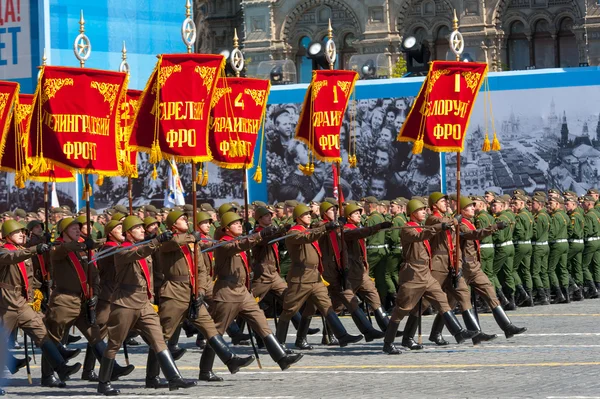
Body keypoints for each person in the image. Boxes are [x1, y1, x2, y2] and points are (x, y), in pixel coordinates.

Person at [152, 210, 254, 385]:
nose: (186, 220)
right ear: (173, 225)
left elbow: (200, 270)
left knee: (210, 329)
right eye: (182, 219)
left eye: (186, 218)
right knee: (162, 337)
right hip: (174, 292)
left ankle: (230, 359)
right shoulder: (168, 240)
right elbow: (174, 242)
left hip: (192, 292)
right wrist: (192, 237)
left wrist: (199, 291)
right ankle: (152, 376)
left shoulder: (193, 242)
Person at [97, 216, 196, 395]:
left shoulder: (144, 248)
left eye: (143, 228)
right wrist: (156, 241)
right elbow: (138, 253)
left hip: (144, 302)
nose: (143, 230)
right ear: (128, 233)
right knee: (114, 344)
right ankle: (104, 382)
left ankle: (174, 378)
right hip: (125, 303)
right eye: (138, 228)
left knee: (158, 339)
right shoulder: (121, 251)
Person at [202, 211, 303, 373]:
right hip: (227, 292)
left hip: (243, 292)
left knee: (261, 323)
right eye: (235, 223)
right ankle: (205, 370)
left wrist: (275, 231)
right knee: (217, 332)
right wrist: (259, 235)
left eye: (240, 223)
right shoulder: (223, 244)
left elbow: (247, 243)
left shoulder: (238, 240)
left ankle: (281, 357)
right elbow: (239, 245)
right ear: (227, 228)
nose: (240, 225)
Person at [382, 199, 479, 355]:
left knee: (441, 300)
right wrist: (439, 227)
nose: (424, 212)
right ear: (412, 213)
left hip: (426, 272)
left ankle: (458, 331)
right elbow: (421, 236)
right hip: (412, 274)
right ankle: (388, 342)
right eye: (421, 210)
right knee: (402, 310)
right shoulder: (408, 229)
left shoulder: (421, 226)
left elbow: (427, 232)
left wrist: (441, 226)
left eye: (424, 209)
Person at [0, 220, 82, 390]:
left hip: (22, 303)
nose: (22, 235)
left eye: (23, 232)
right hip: (6, 303)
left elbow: (29, 277)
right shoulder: (4, 252)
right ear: (7, 236)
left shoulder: (23, 251)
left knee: (42, 333)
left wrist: (40, 287)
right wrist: (34, 249)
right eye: (18, 233)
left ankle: (61, 368)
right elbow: (12, 258)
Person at [275, 205, 363, 348]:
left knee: (326, 305)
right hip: (301, 278)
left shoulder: (308, 230)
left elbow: (314, 234)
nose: (309, 216)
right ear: (298, 218)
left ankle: (341, 335)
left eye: (310, 214)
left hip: (315, 277)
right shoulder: (294, 232)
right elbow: (308, 237)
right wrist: (325, 227)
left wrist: (328, 228)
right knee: (289, 310)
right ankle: (279, 343)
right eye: (306, 214)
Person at [459, 196, 527, 342]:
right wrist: (494, 227)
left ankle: (507, 326)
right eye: (469, 207)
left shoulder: (468, 223)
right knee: (455, 303)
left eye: (473, 206)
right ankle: (472, 333)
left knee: (489, 291)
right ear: (462, 211)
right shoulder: (461, 225)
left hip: (473, 266)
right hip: (463, 267)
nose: (473, 208)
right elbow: (474, 235)